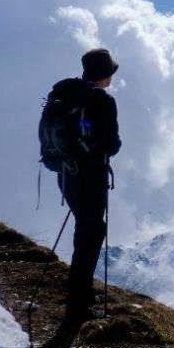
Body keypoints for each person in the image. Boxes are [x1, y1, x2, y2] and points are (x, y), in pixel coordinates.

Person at [58, 47, 121, 325]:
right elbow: (111, 145)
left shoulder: (65, 94)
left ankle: (80, 293)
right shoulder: (102, 101)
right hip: (91, 176)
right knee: (92, 233)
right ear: (105, 75)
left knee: (84, 230)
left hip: (65, 173)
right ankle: (78, 304)